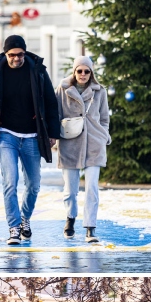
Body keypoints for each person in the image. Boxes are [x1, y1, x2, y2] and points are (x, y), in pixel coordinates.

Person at [0, 35, 62, 246]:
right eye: (12, 55)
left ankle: (25, 218)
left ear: (24, 52)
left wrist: (53, 133)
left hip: (32, 137)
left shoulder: (38, 71)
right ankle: (13, 228)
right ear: (5, 54)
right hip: (6, 136)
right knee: (10, 182)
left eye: (20, 54)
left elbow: (51, 103)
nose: (16, 58)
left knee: (33, 185)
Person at [54, 56, 110, 244]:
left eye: (87, 71)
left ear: (91, 72)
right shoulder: (62, 90)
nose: (83, 74)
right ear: (74, 71)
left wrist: (103, 135)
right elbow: (56, 115)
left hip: (94, 144)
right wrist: (55, 136)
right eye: (80, 70)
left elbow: (104, 118)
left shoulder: (100, 91)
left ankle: (90, 227)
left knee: (92, 188)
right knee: (70, 191)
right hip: (70, 144)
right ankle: (70, 217)